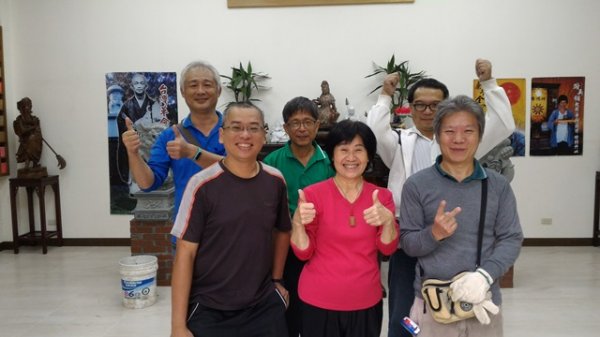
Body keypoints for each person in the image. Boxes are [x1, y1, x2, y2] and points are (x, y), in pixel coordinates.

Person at [366, 59, 515, 337]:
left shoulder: (458, 141)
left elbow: (504, 123)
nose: (427, 111)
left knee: (454, 314)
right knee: (403, 317)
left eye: (435, 105)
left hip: (455, 242)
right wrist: (385, 95)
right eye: (420, 104)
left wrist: (489, 83)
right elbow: (373, 130)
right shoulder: (399, 141)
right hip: (408, 239)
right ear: (409, 108)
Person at [399, 95, 523, 337]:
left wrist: (484, 276)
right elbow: (408, 244)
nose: (458, 139)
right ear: (436, 134)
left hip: (484, 303)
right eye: (449, 131)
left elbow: (511, 238)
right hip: (433, 306)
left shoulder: (497, 185)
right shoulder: (416, 185)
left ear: (479, 135)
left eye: (468, 131)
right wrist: (433, 234)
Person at [170, 102, 291, 337]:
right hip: (210, 307)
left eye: (253, 128)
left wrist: (276, 279)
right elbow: (185, 254)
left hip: (262, 305)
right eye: (236, 127)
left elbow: (282, 231)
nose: (245, 135)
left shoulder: (275, 181)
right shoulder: (201, 185)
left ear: (264, 135)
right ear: (222, 135)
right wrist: (177, 326)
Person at [291, 119, 399, 337]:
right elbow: (303, 253)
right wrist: (298, 224)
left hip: (365, 299)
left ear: (369, 156)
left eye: (359, 150)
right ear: (332, 155)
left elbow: (387, 249)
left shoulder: (381, 196)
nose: (351, 158)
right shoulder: (312, 194)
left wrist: (388, 222)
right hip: (317, 299)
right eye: (344, 150)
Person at [121, 61, 225, 230]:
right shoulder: (169, 136)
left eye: (207, 85)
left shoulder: (235, 131)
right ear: (183, 91)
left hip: (232, 227)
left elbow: (242, 170)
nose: (200, 91)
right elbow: (147, 183)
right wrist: (133, 153)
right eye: (193, 85)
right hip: (189, 228)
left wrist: (193, 152)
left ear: (218, 90)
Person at [263, 96, 335, 337]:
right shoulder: (272, 162)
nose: (302, 128)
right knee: (288, 300)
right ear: (285, 128)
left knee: (318, 303)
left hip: (322, 247)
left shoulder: (329, 162)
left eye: (307, 122)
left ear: (317, 125)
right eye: (295, 123)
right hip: (284, 246)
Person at [13, 97, 43, 169]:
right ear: (21, 108)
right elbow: (22, 131)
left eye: (29, 105)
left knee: (37, 140)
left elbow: (38, 129)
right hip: (25, 139)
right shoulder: (19, 120)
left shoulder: (34, 119)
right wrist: (33, 127)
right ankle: (27, 164)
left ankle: (35, 163)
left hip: (36, 139)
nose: (27, 108)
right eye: (25, 106)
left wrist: (36, 128)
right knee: (30, 140)